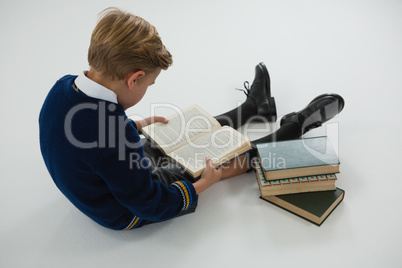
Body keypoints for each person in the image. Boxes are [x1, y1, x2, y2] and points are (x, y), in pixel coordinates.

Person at [39, 7, 344, 230]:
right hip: (121, 212)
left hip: (97, 184)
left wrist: (134, 127)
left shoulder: (62, 87)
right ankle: (297, 125)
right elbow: (148, 203)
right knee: (214, 159)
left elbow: (84, 142)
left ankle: (254, 109)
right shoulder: (115, 140)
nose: (148, 89)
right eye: (149, 85)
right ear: (134, 79)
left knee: (189, 133)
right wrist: (202, 186)